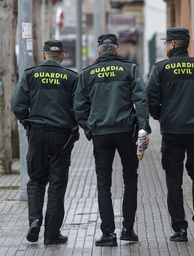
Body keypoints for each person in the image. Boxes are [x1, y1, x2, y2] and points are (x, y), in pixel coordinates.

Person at [145, 27, 194, 242]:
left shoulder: (161, 68)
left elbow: (150, 99)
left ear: (171, 45)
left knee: (173, 179)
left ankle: (179, 229)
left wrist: (161, 115)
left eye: (165, 43)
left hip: (172, 131)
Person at [74, 34, 151, 247]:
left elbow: (79, 106)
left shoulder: (87, 74)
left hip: (101, 134)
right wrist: (143, 128)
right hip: (126, 131)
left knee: (103, 183)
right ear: (116, 50)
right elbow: (141, 99)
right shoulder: (129, 69)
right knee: (130, 179)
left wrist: (90, 130)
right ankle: (127, 229)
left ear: (99, 51)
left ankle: (108, 234)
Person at [11, 39, 78, 245]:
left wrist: (26, 122)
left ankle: (35, 221)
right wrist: (74, 126)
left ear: (43, 55)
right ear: (63, 56)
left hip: (37, 133)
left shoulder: (30, 75)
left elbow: (17, 103)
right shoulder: (71, 77)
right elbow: (80, 106)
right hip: (61, 136)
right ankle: (52, 234)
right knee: (57, 184)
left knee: (37, 180)